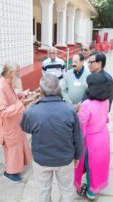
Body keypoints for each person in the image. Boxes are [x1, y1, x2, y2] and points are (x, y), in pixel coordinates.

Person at [20, 74, 84, 202]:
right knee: (66, 190)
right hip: (65, 159)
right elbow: (78, 137)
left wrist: (33, 102)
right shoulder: (70, 110)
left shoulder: (32, 111)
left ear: (41, 91)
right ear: (59, 90)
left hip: (42, 160)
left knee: (43, 192)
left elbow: (25, 127)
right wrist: (77, 156)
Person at [0, 62, 37, 183]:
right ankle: (10, 172)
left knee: (16, 147)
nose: (19, 75)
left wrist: (25, 94)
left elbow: (12, 97)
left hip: (15, 122)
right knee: (13, 148)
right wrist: (23, 104)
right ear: (10, 74)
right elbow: (3, 111)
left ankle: (14, 166)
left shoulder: (7, 82)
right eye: (17, 72)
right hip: (8, 125)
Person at [74, 73, 111, 201]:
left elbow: (81, 127)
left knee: (90, 166)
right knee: (98, 165)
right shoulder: (106, 100)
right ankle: (94, 189)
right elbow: (106, 118)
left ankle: (90, 192)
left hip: (91, 140)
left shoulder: (87, 104)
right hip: (103, 136)